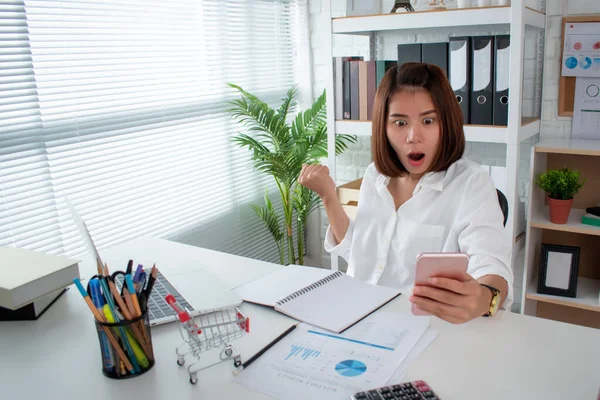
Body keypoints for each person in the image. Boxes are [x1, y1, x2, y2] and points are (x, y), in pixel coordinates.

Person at [298, 62, 513, 324]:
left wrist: (482, 298)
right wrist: (329, 196)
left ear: (447, 122)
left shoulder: (472, 184)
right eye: (400, 122)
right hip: (356, 317)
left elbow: (492, 268)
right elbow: (360, 252)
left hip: (425, 330)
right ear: (383, 128)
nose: (413, 136)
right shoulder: (375, 175)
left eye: (428, 120)